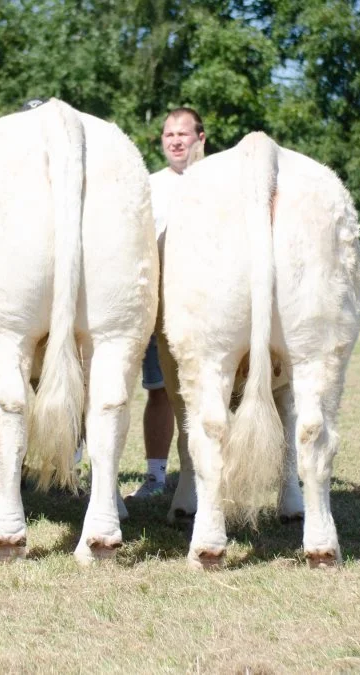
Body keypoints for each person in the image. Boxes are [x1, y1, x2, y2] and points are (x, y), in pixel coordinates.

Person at [127, 107, 206, 500]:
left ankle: (208, 477)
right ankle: (157, 478)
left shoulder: (217, 184)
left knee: (209, 393)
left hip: (201, 312)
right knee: (157, 391)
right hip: (154, 308)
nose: (175, 140)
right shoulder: (148, 185)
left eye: (183, 134)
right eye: (168, 134)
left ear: (200, 138)